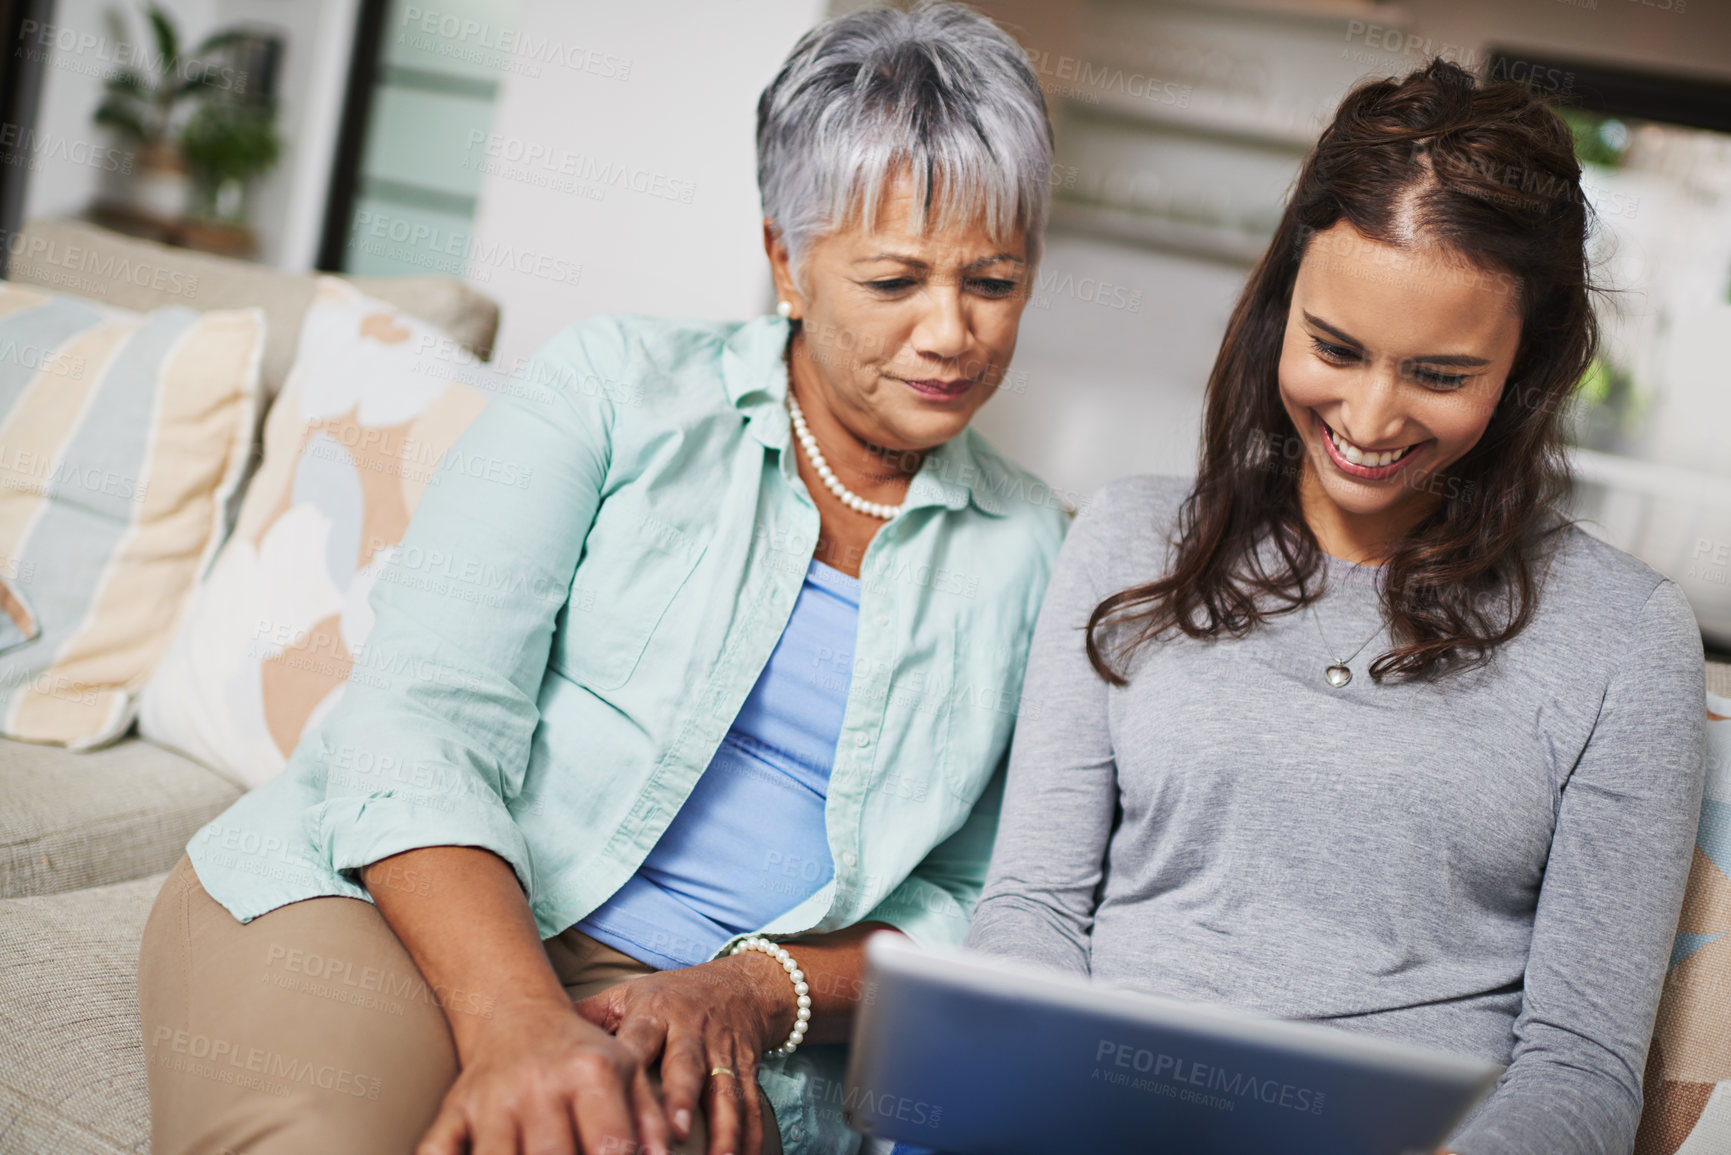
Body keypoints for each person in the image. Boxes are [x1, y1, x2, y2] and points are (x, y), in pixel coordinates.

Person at [137, 4, 1068, 1154]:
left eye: (993, 280)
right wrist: (519, 1022)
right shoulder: (614, 389)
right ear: (786, 259)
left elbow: (987, 901)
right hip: (393, 902)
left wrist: (757, 991)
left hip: (693, 1017)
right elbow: (422, 719)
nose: (950, 333)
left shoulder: (1036, 553)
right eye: (894, 282)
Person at [962, 59, 1707, 1155]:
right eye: (1335, 348)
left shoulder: (1625, 640)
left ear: (1530, 365)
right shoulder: (1125, 541)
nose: (1368, 417)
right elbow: (1029, 906)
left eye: (1440, 375)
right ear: (1279, 310)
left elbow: (1582, 1065)